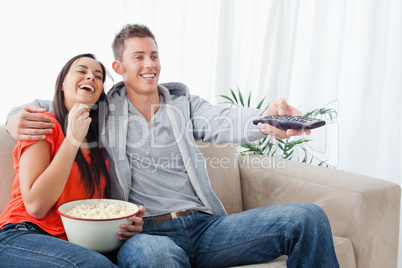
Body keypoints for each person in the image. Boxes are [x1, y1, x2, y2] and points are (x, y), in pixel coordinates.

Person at [5, 25, 340, 267]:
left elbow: (224, 119)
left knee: (306, 217)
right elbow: (56, 103)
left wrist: (265, 119)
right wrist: (13, 118)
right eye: (138, 57)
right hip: (146, 234)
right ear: (119, 69)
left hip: (207, 227)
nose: (149, 64)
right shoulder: (104, 110)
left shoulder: (184, 105)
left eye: (154, 55)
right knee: (156, 257)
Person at [0, 53, 143, 267]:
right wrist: (72, 139)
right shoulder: (44, 124)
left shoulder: (99, 149)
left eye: (98, 76)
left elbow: (94, 213)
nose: (91, 77)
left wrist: (127, 222)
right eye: (81, 71)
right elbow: (36, 206)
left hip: (73, 245)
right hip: (23, 233)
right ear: (62, 83)